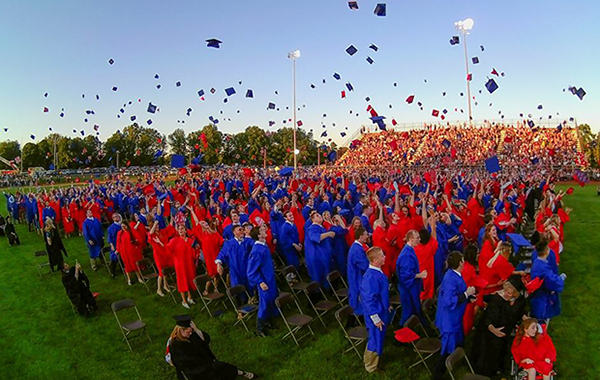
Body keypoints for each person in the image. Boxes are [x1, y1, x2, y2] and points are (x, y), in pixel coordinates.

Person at [168, 315, 256, 380]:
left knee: (224, 368)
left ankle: (241, 373)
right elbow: (186, 363)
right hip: (195, 371)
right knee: (220, 369)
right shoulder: (175, 345)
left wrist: (197, 329)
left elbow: (204, 340)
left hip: (206, 364)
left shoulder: (190, 336)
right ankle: (241, 373)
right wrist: (208, 365)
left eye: (191, 331)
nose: (190, 334)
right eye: (188, 332)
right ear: (181, 330)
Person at [471, 276, 527, 376]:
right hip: (489, 331)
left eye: (509, 293)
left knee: (501, 351)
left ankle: (498, 368)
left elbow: (519, 312)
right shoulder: (497, 300)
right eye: (505, 291)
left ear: (516, 294)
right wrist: (493, 330)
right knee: (487, 355)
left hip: (505, 331)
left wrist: (524, 317)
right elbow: (487, 319)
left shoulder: (520, 301)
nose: (505, 294)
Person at [433, 251, 476, 379]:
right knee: (447, 347)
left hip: (455, 317)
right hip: (449, 320)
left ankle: (455, 360)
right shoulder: (450, 279)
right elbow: (448, 301)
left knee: (457, 341)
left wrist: (468, 298)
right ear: (460, 263)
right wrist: (466, 294)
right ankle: (438, 374)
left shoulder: (454, 274)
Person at [360, 247, 390, 373]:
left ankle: (374, 361)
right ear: (375, 260)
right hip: (375, 315)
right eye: (382, 256)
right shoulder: (370, 277)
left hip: (381, 310)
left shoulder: (377, 272)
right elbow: (368, 300)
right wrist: (375, 318)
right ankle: (370, 366)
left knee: (378, 337)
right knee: (374, 338)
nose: (385, 257)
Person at [246, 225, 279, 337]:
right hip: (264, 281)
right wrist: (260, 282)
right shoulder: (256, 251)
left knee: (271, 300)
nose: (265, 231)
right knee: (264, 304)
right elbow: (251, 271)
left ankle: (268, 321)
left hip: (270, 278)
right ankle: (259, 328)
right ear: (258, 235)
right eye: (262, 230)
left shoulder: (264, 245)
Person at [396, 229, 427, 326]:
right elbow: (405, 275)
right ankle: (402, 332)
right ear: (411, 239)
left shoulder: (409, 251)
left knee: (412, 309)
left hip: (411, 287)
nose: (419, 239)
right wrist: (420, 275)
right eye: (417, 238)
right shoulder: (406, 255)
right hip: (408, 289)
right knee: (408, 311)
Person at [530, 240, 566, 322]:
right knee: (541, 317)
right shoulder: (543, 268)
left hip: (538, 292)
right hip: (542, 295)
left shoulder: (537, 262)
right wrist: (561, 278)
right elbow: (554, 281)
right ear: (547, 252)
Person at [216, 225, 253, 298]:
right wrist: (218, 264)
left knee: (250, 287)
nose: (242, 231)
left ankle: (253, 299)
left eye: (243, 229)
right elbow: (222, 254)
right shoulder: (229, 244)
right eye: (239, 230)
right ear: (234, 232)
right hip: (236, 271)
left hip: (247, 270)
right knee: (238, 291)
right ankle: (241, 303)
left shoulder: (248, 241)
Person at [168, 224, 198, 308]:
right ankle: (184, 301)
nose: (180, 230)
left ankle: (189, 297)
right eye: (179, 229)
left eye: (182, 228)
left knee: (189, 279)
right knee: (182, 281)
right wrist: (159, 243)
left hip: (189, 263)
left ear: (185, 231)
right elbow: (168, 249)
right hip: (180, 265)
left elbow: (194, 252)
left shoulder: (190, 240)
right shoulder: (174, 240)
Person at [305, 212, 336, 288]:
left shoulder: (321, 227)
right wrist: (328, 234)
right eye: (317, 216)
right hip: (317, 256)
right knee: (318, 275)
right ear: (313, 219)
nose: (320, 217)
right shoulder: (312, 228)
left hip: (324, 255)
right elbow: (316, 238)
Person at [347, 226, 369, 316]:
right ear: (360, 237)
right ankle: (358, 315)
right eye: (366, 235)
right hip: (356, 276)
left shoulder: (357, 247)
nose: (367, 236)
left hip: (356, 274)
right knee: (357, 294)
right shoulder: (357, 250)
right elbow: (364, 265)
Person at [106, 213, 123, 277]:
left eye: (118, 216)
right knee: (114, 258)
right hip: (115, 244)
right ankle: (112, 271)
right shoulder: (111, 227)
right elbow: (109, 237)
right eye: (115, 217)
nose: (117, 217)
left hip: (122, 243)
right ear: (113, 219)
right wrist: (111, 245)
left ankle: (123, 268)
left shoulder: (121, 225)